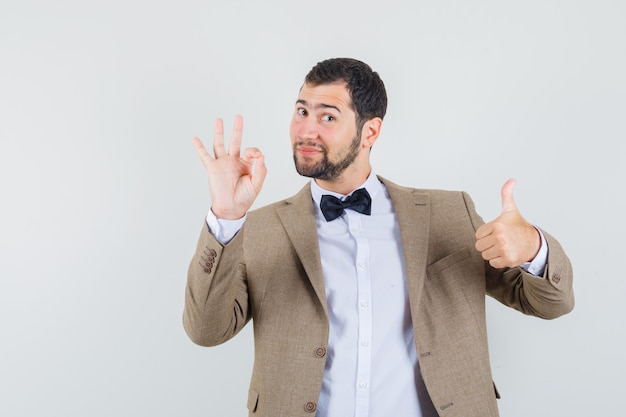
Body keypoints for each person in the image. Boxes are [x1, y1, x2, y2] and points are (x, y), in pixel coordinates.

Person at [183, 58, 574, 417]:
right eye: (301, 111)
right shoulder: (259, 229)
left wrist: (533, 250)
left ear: (370, 131)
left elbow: (551, 304)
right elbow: (206, 331)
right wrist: (226, 217)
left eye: (327, 117)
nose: (306, 130)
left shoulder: (449, 214)